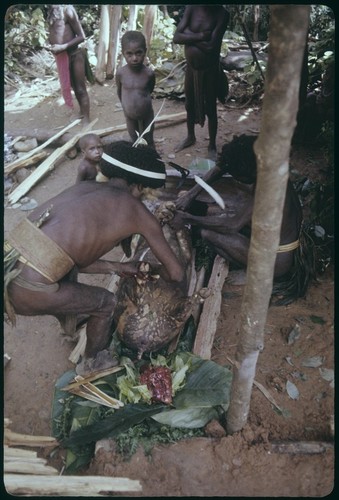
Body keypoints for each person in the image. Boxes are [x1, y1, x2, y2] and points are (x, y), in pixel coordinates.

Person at [4, 141, 185, 375]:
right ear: (140, 186)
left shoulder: (81, 189)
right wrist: (153, 269)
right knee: (106, 303)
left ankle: (72, 315)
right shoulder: (135, 210)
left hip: (8, 263)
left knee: (67, 274)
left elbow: (65, 256)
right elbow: (176, 273)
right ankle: (92, 363)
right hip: (27, 288)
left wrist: (120, 267)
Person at [170, 135, 314, 303]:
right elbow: (222, 166)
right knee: (219, 213)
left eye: (238, 176)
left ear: (251, 171)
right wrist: (190, 194)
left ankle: (253, 273)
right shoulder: (266, 163)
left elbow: (232, 226)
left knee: (208, 233)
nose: (236, 179)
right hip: (271, 238)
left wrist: (188, 219)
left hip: (275, 260)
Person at [172, 5, 230, 160]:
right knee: (189, 104)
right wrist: (201, 36)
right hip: (192, 68)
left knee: (210, 108)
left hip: (210, 70)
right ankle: (190, 136)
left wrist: (189, 36)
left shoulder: (222, 14)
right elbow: (177, 37)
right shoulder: (192, 7)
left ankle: (212, 145)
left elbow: (212, 47)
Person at [47, 4, 92, 124]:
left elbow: (82, 36)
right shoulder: (51, 10)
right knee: (75, 88)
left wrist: (62, 46)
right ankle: (82, 113)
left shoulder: (67, 10)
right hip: (63, 57)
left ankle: (87, 118)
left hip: (75, 55)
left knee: (81, 89)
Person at [115, 31, 156, 148]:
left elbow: (150, 89)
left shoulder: (149, 74)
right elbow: (120, 92)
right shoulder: (121, 73)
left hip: (147, 114)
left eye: (139, 53)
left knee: (149, 141)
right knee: (135, 141)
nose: (134, 58)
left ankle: (153, 162)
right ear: (123, 53)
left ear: (145, 51)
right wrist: (126, 108)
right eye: (129, 54)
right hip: (130, 117)